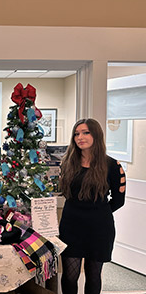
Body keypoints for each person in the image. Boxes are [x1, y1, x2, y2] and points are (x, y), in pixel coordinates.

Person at [59, 118, 126, 294]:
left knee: (94, 275)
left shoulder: (112, 165)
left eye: (86, 132)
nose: (80, 137)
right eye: (76, 133)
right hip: (71, 226)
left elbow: (119, 200)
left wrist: (98, 213)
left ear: (96, 134)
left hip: (99, 229)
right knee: (69, 275)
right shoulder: (67, 163)